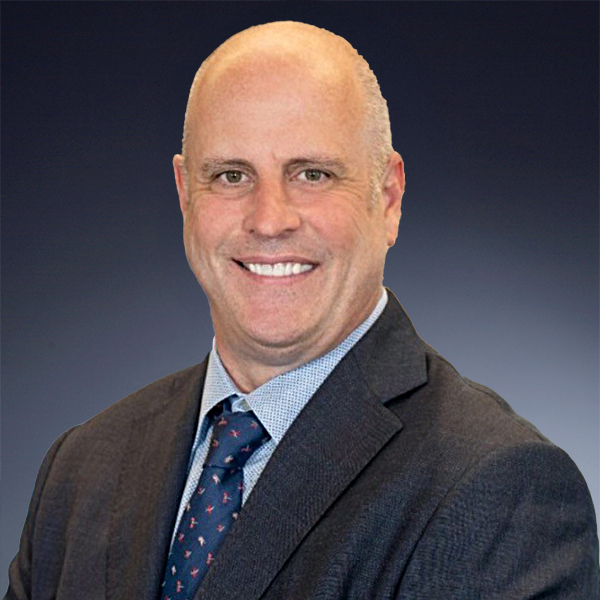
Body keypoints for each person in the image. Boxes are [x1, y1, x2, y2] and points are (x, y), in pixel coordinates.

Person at [6, 20, 599, 600]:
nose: (269, 219)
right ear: (186, 194)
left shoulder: (498, 490)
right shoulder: (81, 468)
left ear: (387, 198)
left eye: (312, 174)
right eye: (231, 175)